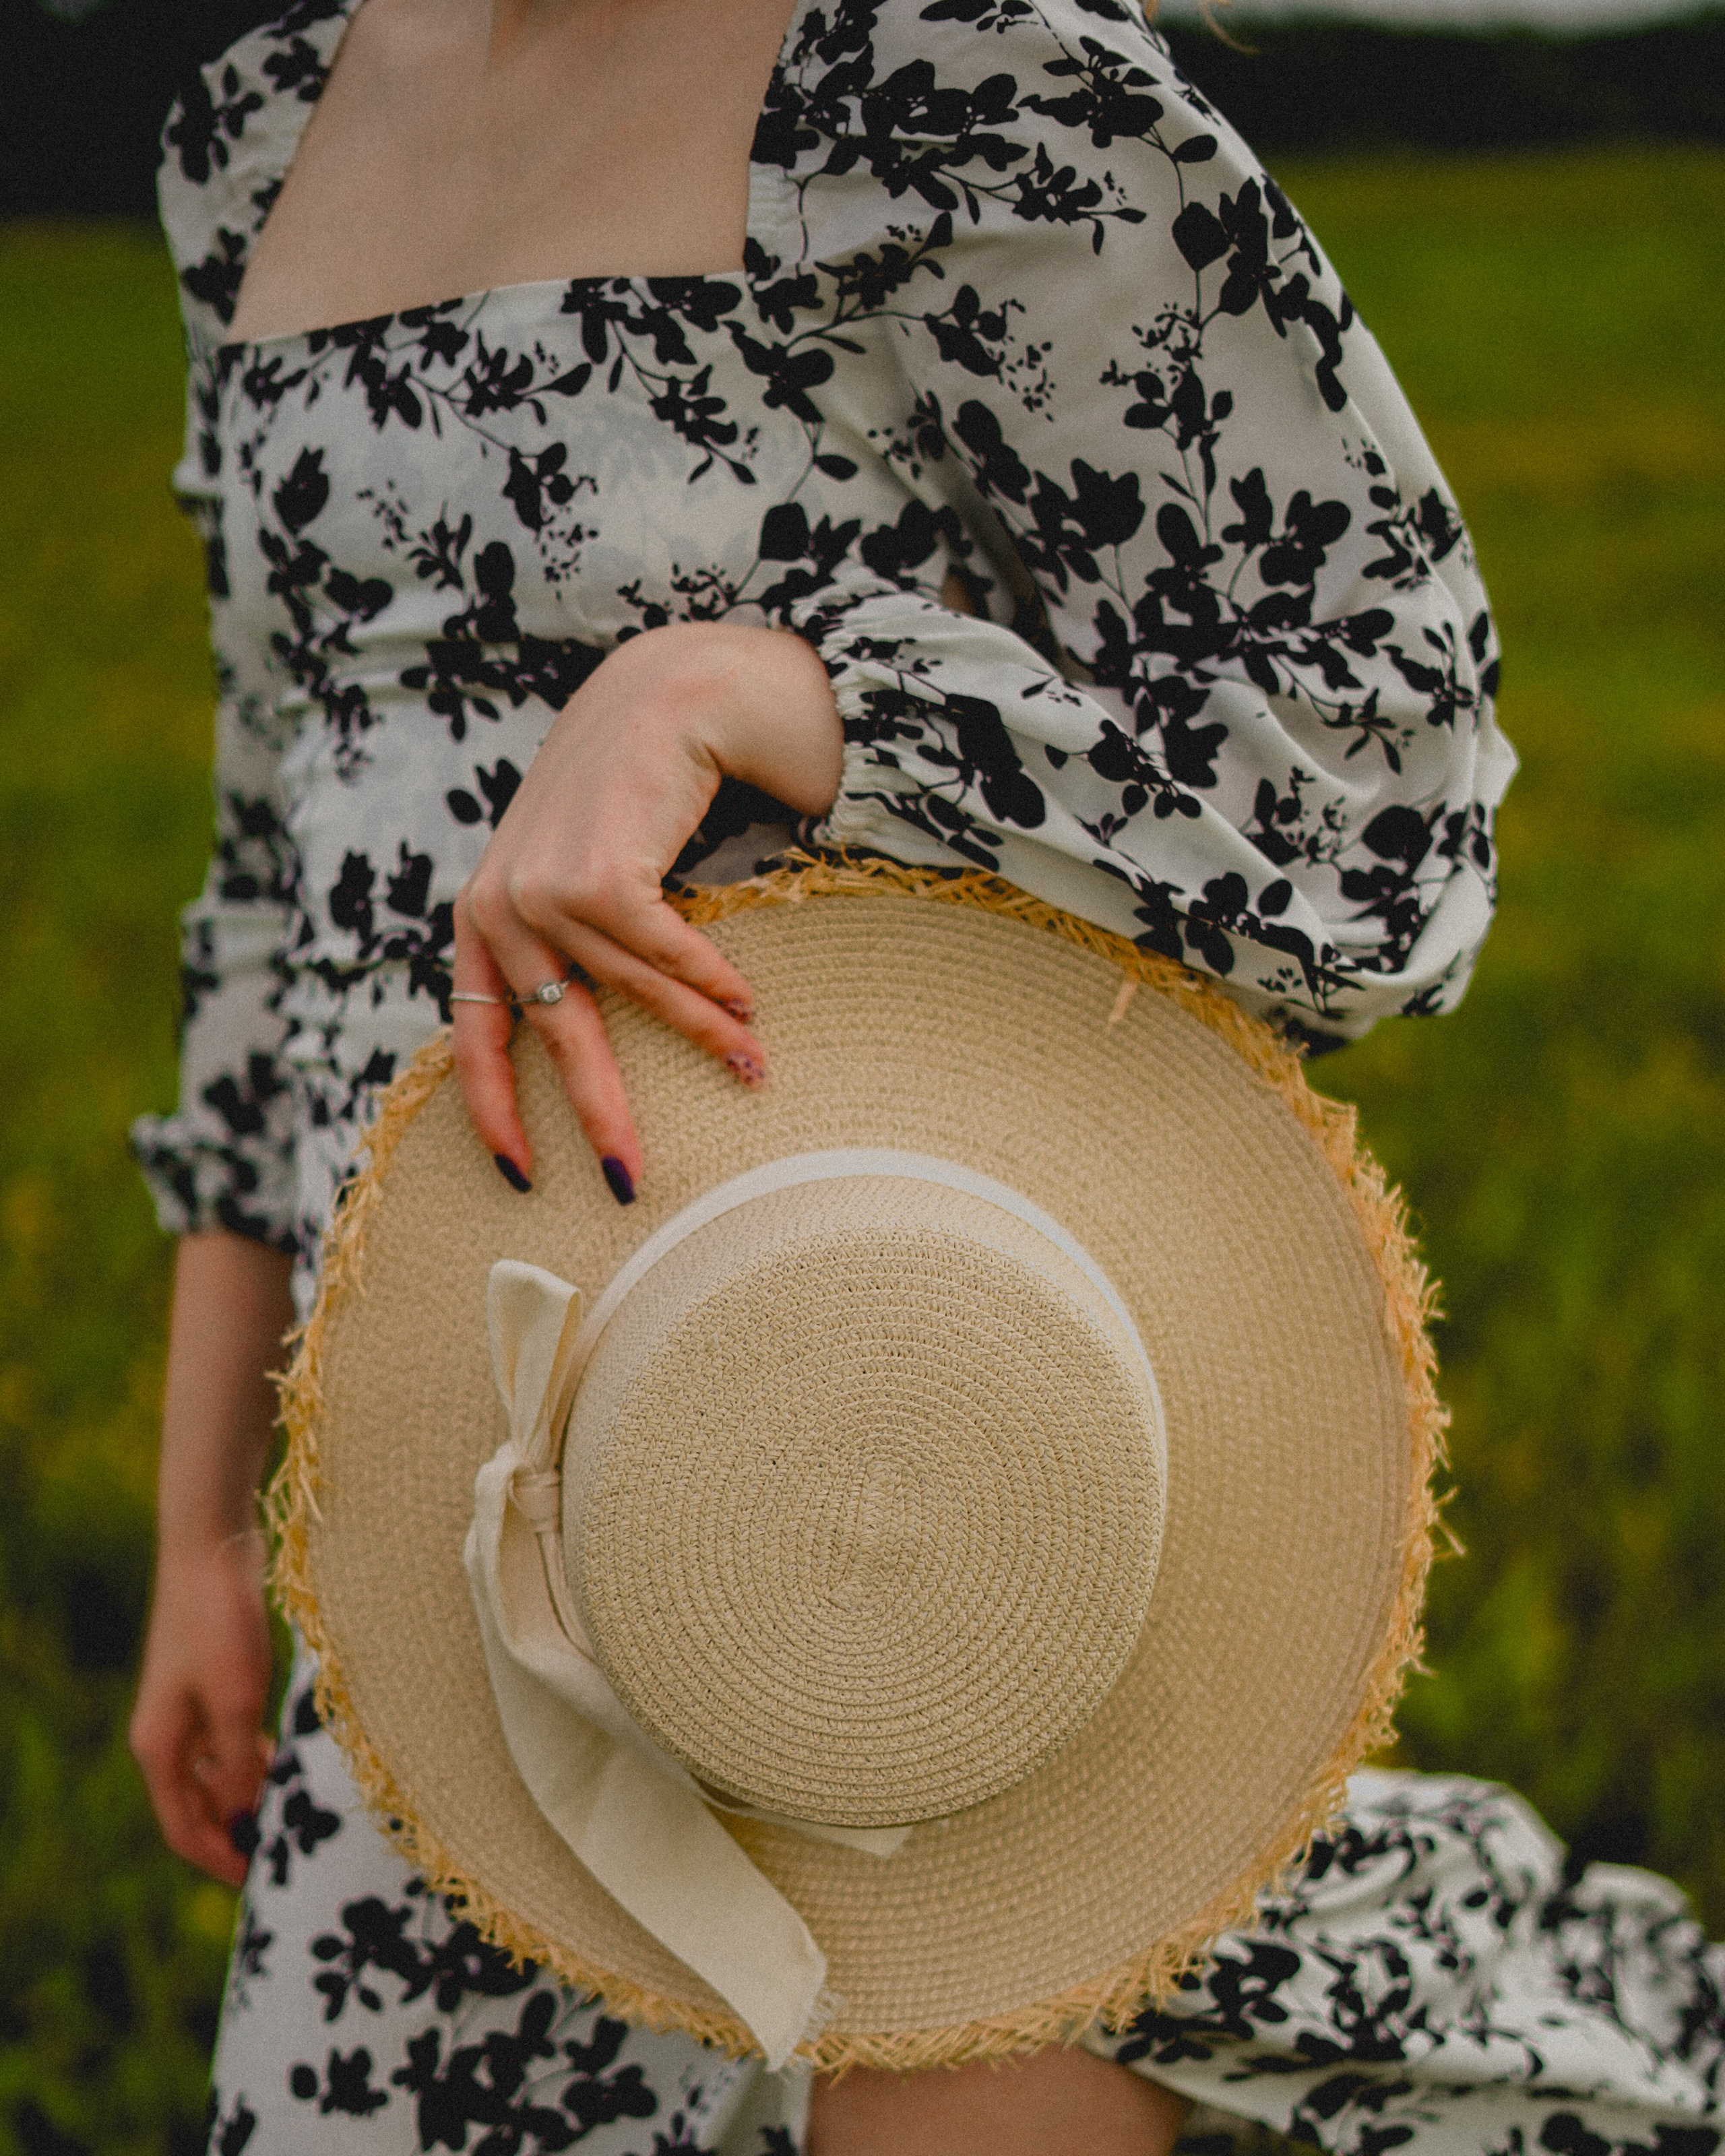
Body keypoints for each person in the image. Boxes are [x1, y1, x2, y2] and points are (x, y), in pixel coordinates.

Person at [125, 0, 1722, 2151]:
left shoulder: (942, 76)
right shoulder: (254, 135)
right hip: (445, 1544)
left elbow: (1381, 774)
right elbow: (269, 894)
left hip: (875, 1499)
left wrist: (763, 686)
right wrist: (211, 1535)